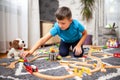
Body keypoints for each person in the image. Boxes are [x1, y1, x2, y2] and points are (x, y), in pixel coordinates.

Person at [21, 6, 87, 58]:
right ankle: (67, 48)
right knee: (63, 54)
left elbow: (85, 33)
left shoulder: (76, 24)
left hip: (76, 40)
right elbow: (43, 39)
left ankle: (74, 47)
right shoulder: (56, 27)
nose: (60, 25)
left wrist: (78, 45)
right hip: (65, 41)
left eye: (63, 23)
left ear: (70, 21)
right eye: (58, 22)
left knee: (78, 54)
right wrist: (31, 51)